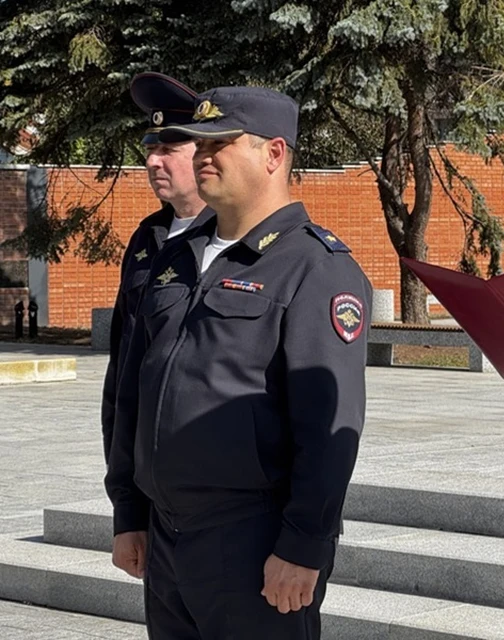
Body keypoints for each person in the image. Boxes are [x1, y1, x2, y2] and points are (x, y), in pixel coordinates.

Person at [105, 84, 372, 639]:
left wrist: (303, 545)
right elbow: (132, 389)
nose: (202, 155)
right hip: (168, 536)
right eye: (197, 143)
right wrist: (129, 510)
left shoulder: (314, 267)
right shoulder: (176, 256)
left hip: (253, 540)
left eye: (219, 143)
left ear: (274, 154)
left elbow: (330, 428)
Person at [101, 72, 213, 462]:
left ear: (204, 154)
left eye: (169, 149)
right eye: (150, 148)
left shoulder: (230, 237)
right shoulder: (147, 237)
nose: (152, 161)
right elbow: (121, 364)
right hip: (142, 463)